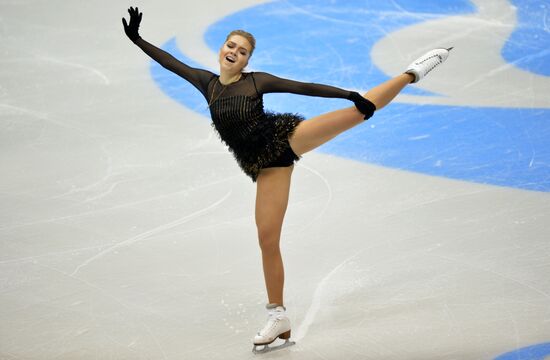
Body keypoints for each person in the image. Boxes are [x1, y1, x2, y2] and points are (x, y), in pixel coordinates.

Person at [122, 6, 451, 352]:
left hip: (285, 139)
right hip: (266, 168)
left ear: (247, 60)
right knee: (267, 240)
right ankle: (278, 316)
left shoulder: (255, 81)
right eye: (230, 46)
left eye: (242, 51)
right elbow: (170, 63)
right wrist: (138, 39)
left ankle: (412, 73)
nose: (233, 52)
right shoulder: (208, 84)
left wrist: (347, 94)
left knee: (360, 111)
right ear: (222, 50)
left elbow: (302, 87)